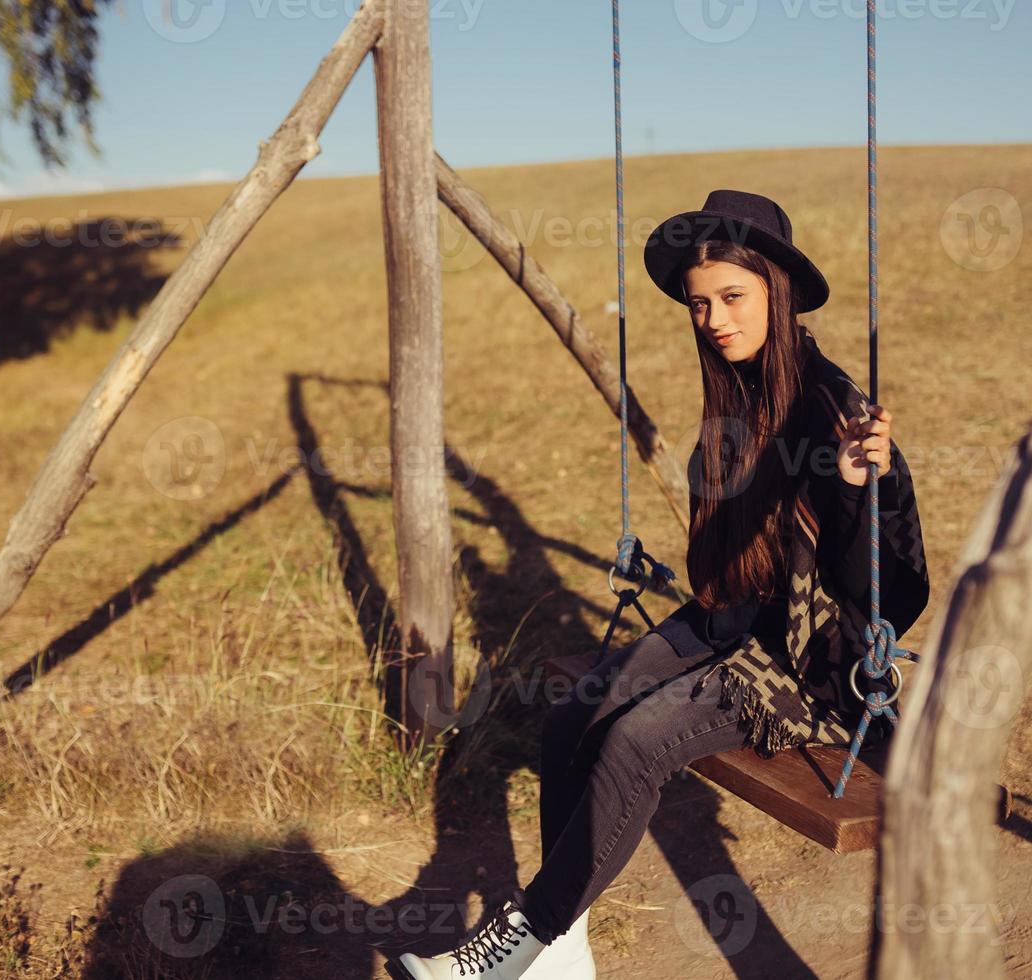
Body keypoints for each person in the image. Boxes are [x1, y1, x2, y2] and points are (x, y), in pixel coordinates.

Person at [393, 190, 930, 980]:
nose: (714, 319)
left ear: (776, 292)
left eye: (732, 298)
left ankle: (517, 947)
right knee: (572, 715)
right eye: (699, 303)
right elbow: (720, 568)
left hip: (812, 667)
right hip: (731, 623)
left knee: (637, 740)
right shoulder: (735, 395)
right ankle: (561, 948)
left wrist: (855, 486)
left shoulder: (837, 412)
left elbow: (897, 593)